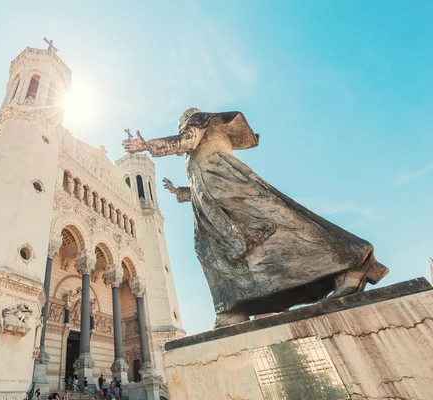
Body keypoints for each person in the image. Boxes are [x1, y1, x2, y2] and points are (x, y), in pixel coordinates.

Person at [122, 109, 389, 328]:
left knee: (284, 227)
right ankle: (232, 308)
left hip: (230, 189)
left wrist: (147, 145)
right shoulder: (198, 150)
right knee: (209, 250)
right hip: (213, 202)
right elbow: (199, 183)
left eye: (182, 123)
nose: (182, 127)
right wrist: (180, 192)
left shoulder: (199, 122)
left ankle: (351, 265)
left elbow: (186, 140)